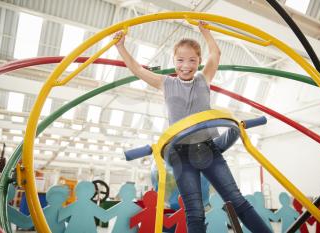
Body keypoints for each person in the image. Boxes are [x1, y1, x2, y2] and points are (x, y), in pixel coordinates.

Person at [113, 21, 271, 233]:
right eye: (180, 60)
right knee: (194, 212)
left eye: (192, 60)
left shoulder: (203, 79)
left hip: (208, 149)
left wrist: (205, 32)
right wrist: (120, 46)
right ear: (173, 61)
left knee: (238, 201)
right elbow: (136, 68)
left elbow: (215, 54)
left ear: (198, 62)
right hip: (180, 155)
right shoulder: (165, 83)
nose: (185, 65)